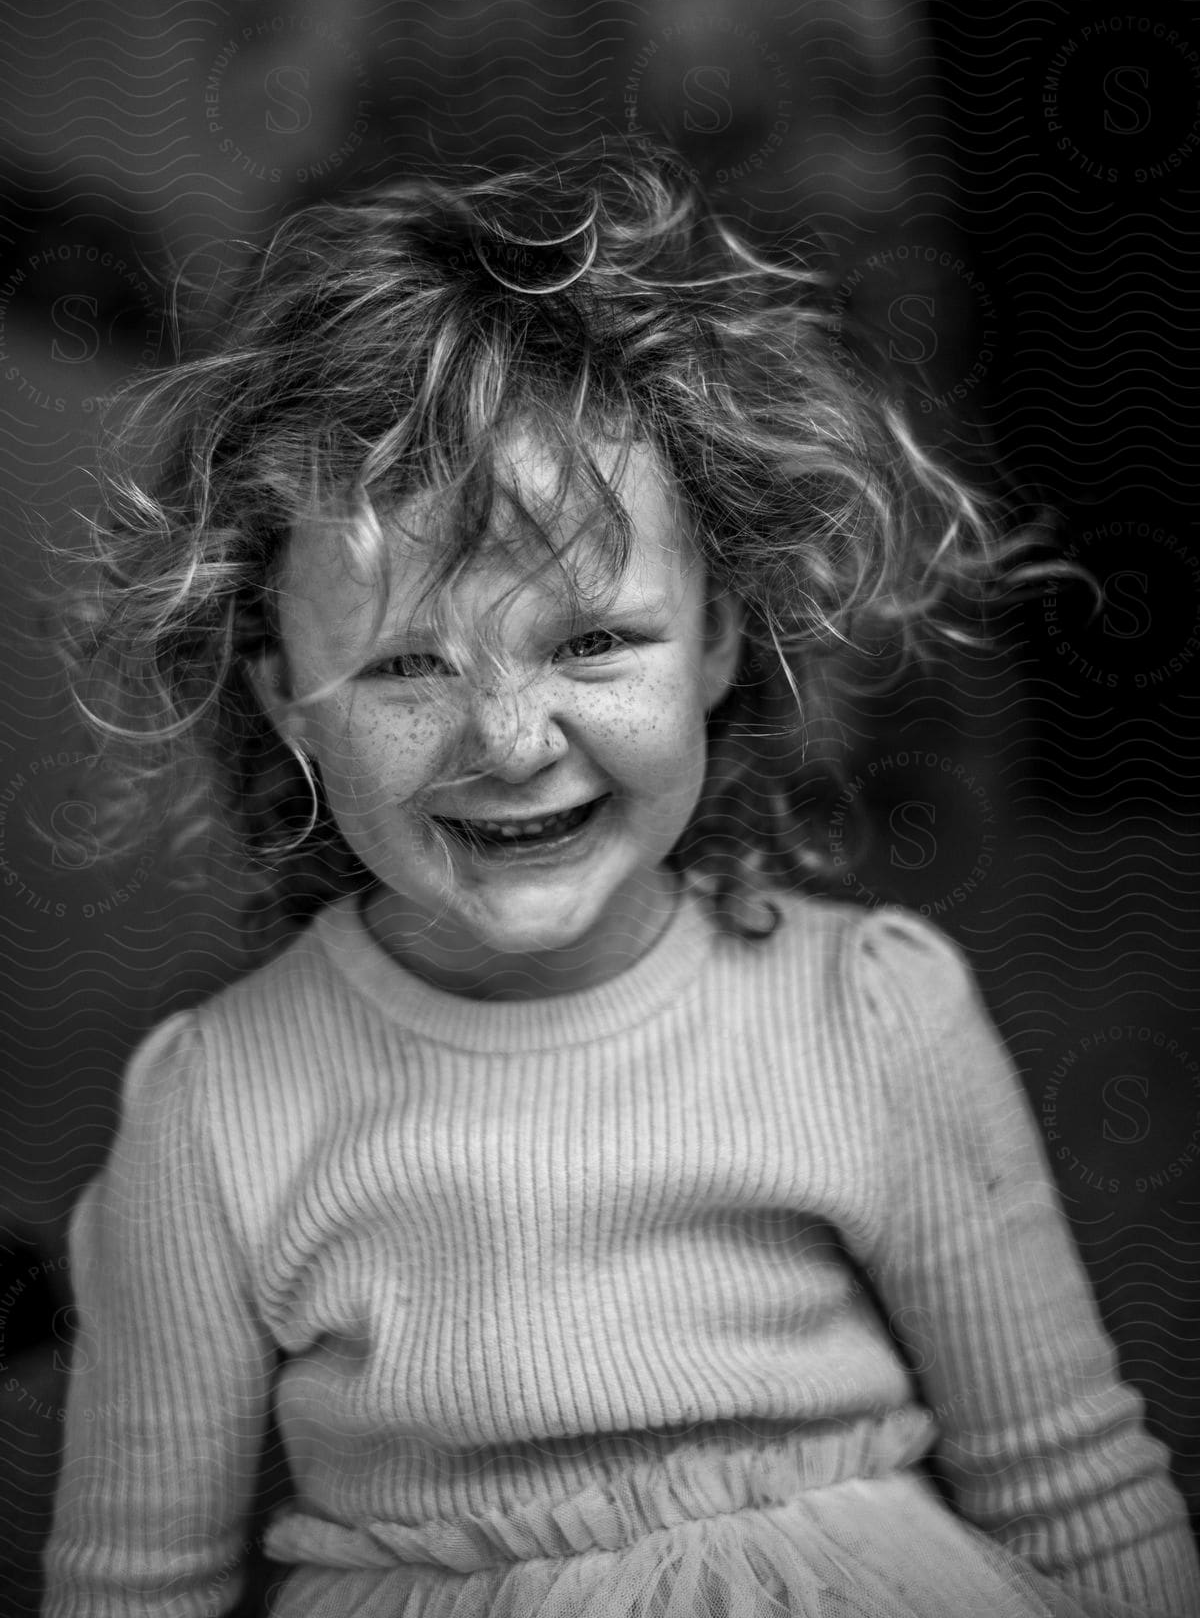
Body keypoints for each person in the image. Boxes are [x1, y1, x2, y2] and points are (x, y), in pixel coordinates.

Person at [40, 142, 1200, 1618]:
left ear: (721, 637)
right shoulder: (213, 1109)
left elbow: (1073, 1485)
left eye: (594, 641)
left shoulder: (876, 1011)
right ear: (282, 700)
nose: (512, 741)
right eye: (405, 663)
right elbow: (134, 1587)